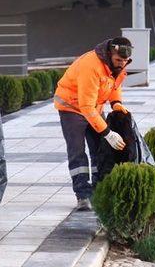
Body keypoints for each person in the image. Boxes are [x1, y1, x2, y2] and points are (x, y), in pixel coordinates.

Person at [53, 37, 132, 211]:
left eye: (125, 61)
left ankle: (98, 191)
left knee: (100, 150)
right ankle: (82, 195)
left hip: (92, 107)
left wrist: (116, 102)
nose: (121, 64)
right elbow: (86, 106)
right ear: (110, 53)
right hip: (71, 107)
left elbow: (114, 83)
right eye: (119, 60)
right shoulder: (92, 66)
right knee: (77, 152)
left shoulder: (115, 64)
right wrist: (107, 132)